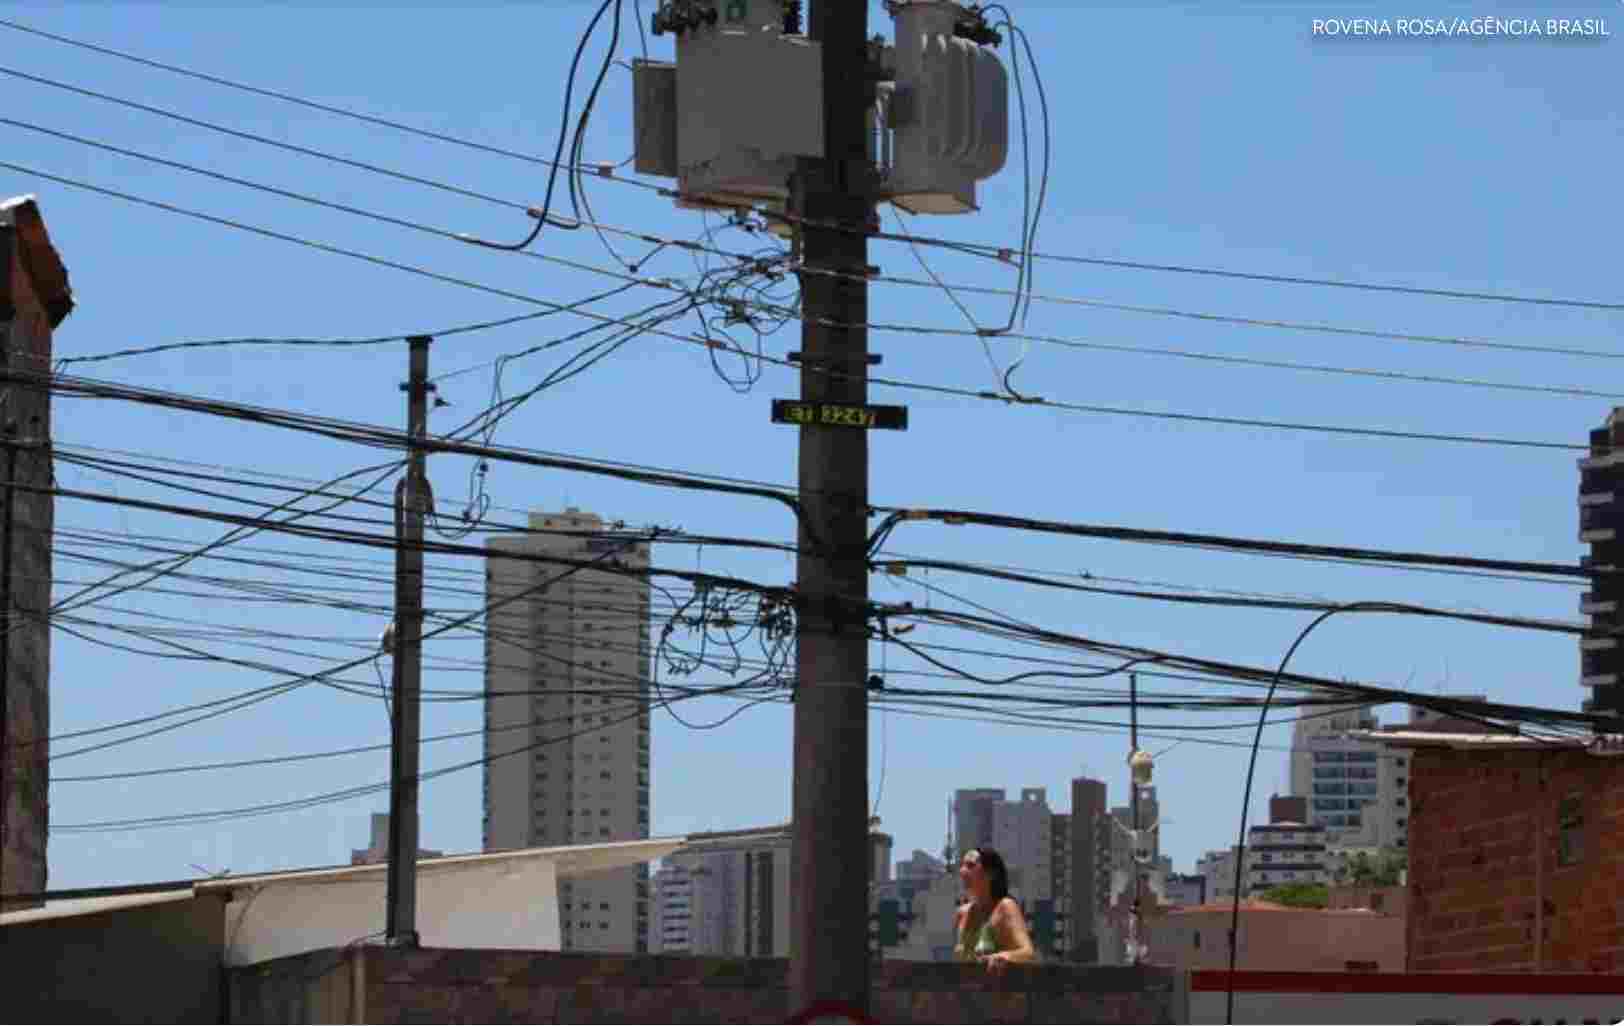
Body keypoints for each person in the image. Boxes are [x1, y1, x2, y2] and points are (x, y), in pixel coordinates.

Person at [954, 847, 1036, 973]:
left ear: (990, 873)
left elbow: (1028, 953)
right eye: (962, 866)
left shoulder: (1005, 907)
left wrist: (1004, 956)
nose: (962, 871)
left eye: (970, 865)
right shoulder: (961, 913)